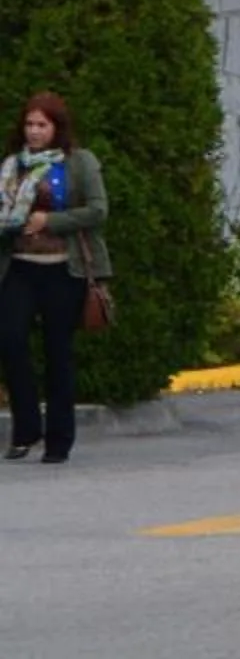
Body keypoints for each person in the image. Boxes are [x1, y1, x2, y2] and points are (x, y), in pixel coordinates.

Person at [0, 92, 109, 465]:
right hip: (21, 266)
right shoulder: (12, 166)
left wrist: (50, 221)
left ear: (57, 128)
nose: (34, 132)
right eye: (29, 125)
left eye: (42, 125)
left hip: (64, 269)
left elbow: (97, 211)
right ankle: (27, 428)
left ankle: (59, 440)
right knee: (11, 338)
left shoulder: (79, 163)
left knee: (57, 350)